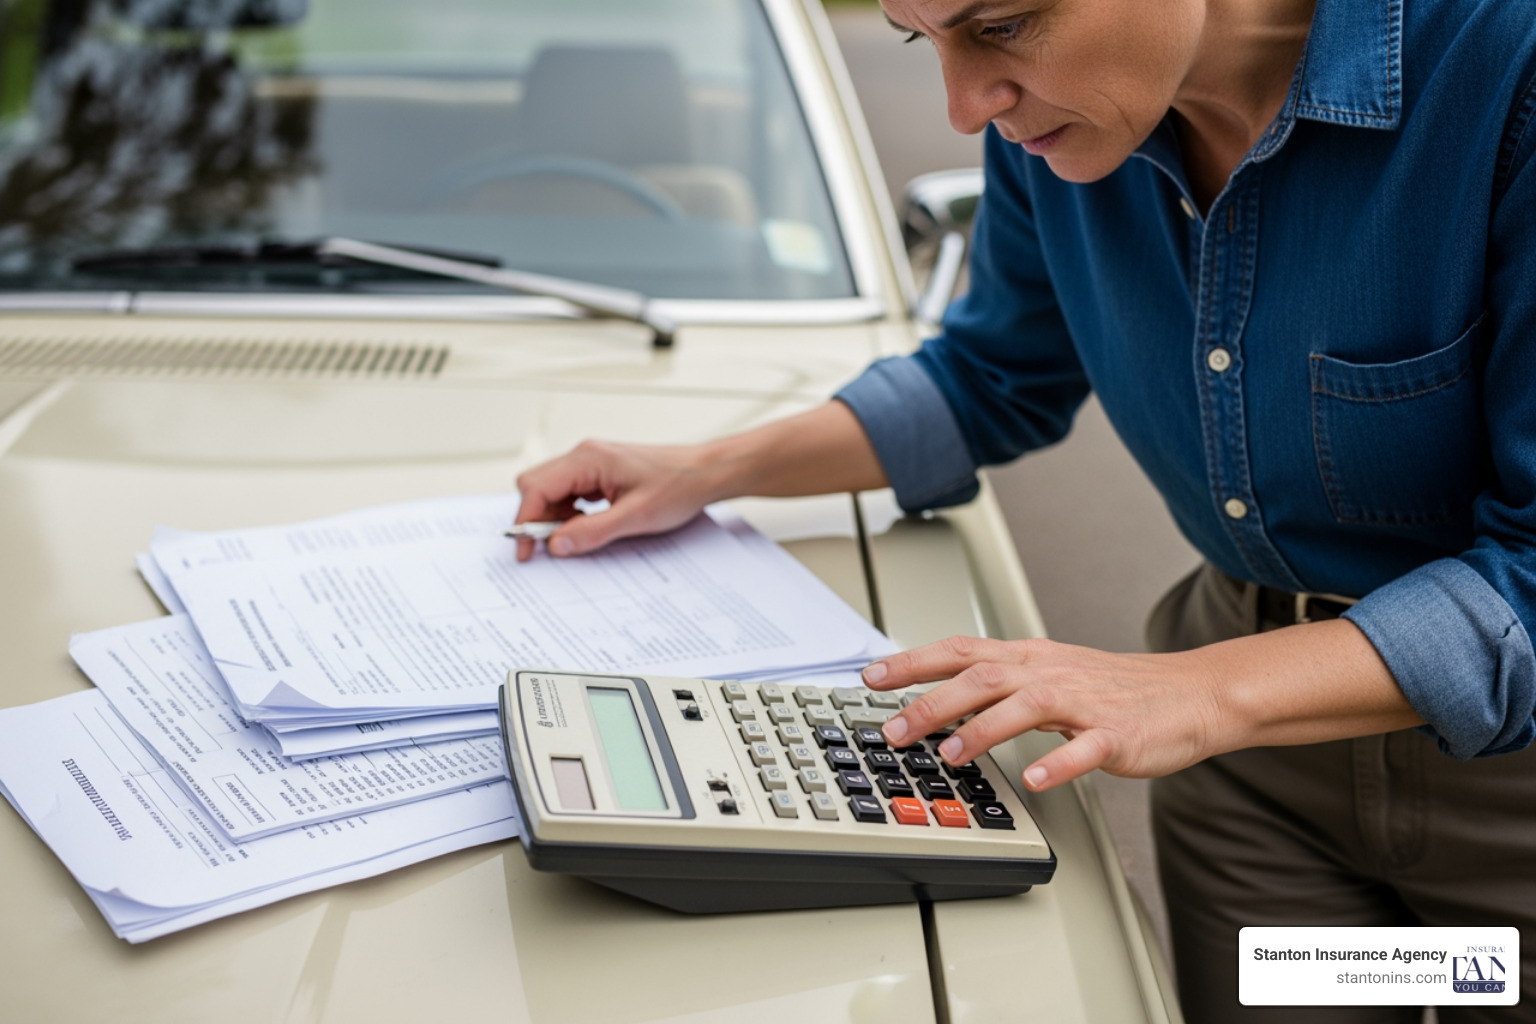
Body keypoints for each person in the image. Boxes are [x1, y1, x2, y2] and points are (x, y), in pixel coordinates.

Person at [513, 0, 1536, 1019]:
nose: (967, 107)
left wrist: (1195, 693)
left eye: (1000, 25)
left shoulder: (1511, 70)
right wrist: (706, 468)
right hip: (1257, 791)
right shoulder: (1053, 121)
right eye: (927, 40)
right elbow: (993, 372)